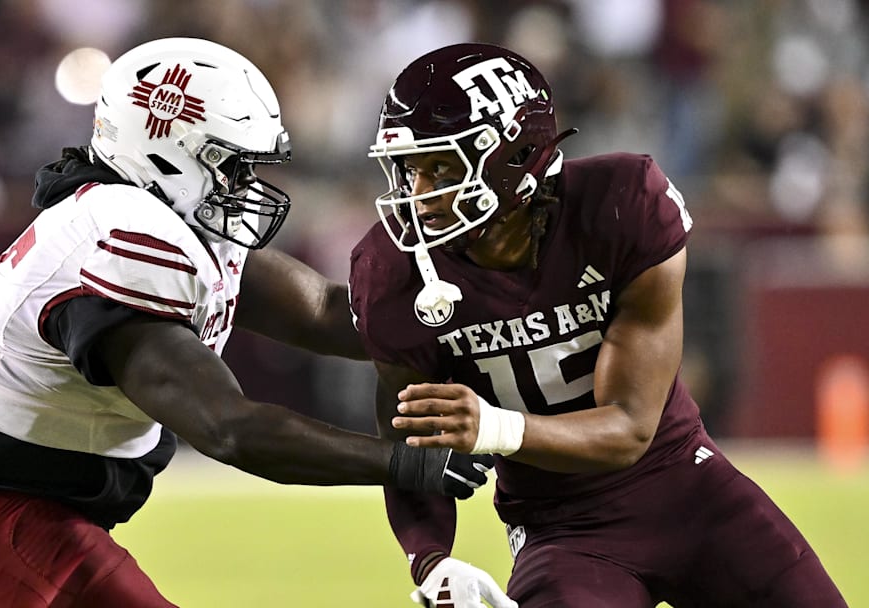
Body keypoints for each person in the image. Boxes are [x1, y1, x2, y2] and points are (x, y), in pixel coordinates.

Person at [0, 37, 493, 608]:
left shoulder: (168, 221)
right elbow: (229, 428)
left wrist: (482, 312)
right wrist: (400, 464)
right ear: (166, 152)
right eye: (234, 166)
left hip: (22, 480)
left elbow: (332, 313)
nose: (247, 185)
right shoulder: (123, 237)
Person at [349, 42, 848, 607]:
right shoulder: (391, 273)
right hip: (561, 529)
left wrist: (494, 428)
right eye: (408, 169)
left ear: (512, 158)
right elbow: (406, 444)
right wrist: (432, 562)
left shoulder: (621, 207)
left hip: (685, 486)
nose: (419, 196)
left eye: (440, 167)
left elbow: (630, 428)